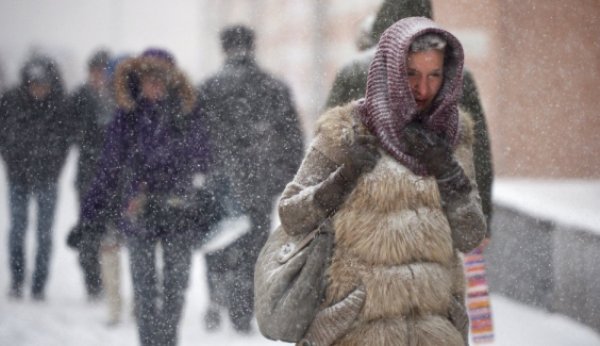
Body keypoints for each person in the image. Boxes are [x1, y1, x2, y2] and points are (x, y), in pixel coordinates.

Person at [274, 17, 486, 345]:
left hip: (433, 327)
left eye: (434, 75)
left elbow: (470, 236)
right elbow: (291, 215)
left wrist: (450, 175)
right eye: (411, 74)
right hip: (357, 326)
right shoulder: (345, 130)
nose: (423, 90)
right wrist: (342, 179)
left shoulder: (454, 137)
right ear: (389, 72)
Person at [72, 48, 211, 346]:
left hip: (179, 210)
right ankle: (149, 342)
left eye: (161, 79)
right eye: (149, 79)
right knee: (144, 287)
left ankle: (168, 340)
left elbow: (205, 158)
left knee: (176, 286)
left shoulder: (188, 112)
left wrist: (176, 147)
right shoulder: (127, 116)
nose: (155, 86)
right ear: (139, 80)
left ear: (172, 80)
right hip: (139, 211)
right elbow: (108, 168)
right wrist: (88, 215)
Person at [324, 0, 494, 238]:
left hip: (362, 224)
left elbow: (327, 146)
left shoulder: (353, 70)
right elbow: (478, 151)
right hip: (436, 223)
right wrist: (483, 215)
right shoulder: (456, 74)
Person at [197, 24, 305, 333]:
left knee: (217, 241)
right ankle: (242, 311)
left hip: (219, 181)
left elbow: (194, 139)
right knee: (254, 247)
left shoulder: (207, 88)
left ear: (224, 47)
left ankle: (216, 299)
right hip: (260, 182)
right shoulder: (274, 87)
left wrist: (203, 173)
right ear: (252, 46)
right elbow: (292, 138)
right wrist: (283, 177)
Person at [0, 54, 69, 301]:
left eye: (44, 84)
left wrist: (54, 167)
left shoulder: (60, 106)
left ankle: (39, 285)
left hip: (47, 178)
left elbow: (65, 141)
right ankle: (17, 281)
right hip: (17, 176)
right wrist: (11, 159)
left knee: (44, 233)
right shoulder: (10, 101)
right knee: (17, 230)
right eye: (34, 84)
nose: (39, 89)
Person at [67, 49, 114, 301]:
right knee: (88, 231)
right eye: (96, 71)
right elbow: (69, 132)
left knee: (111, 233)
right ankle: (92, 282)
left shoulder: (119, 99)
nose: (99, 77)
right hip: (87, 175)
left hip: (113, 177)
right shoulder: (79, 98)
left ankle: (109, 283)